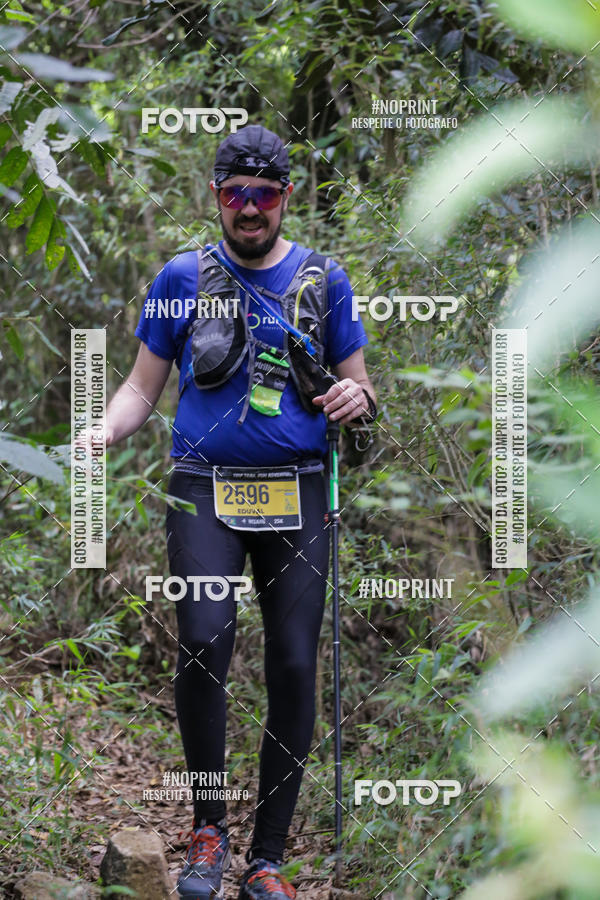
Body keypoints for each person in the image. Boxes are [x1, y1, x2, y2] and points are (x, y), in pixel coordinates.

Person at [104, 124, 376, 899]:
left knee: (293, 661)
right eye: (235, 194)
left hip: (300, 489)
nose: (249, 208)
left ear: (287, 196)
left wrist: (357, 398)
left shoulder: (325, 279)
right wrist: (103, 429)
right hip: (204, 487)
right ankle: (207, 832)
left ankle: (268, 859)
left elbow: (360, 386)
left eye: (264, 194)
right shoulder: (182, 277)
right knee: (202, 641)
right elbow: (140, 387)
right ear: (215, 196)